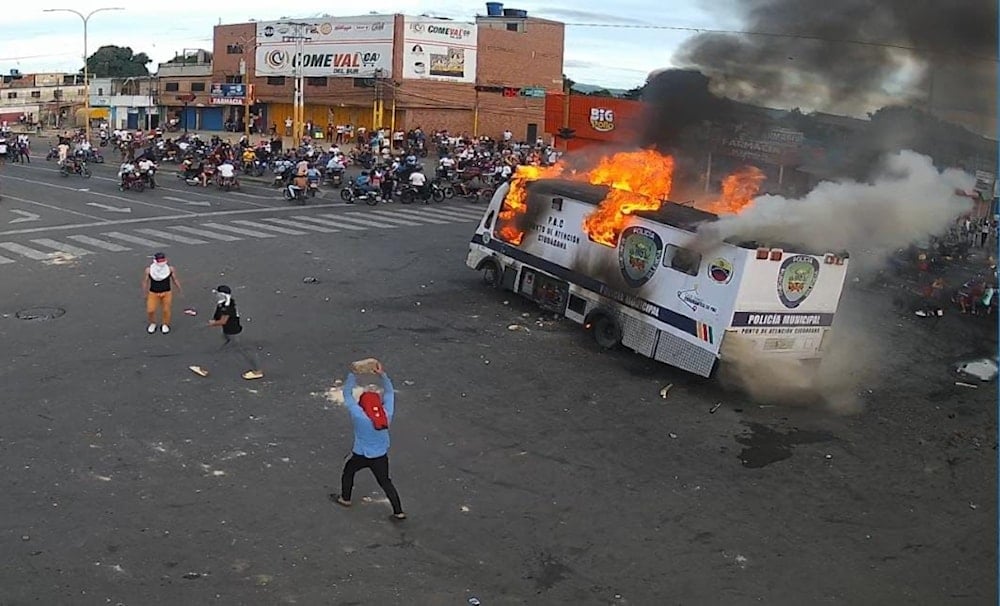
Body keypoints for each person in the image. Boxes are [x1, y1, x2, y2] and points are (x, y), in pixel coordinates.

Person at [332, 360, 405, 520]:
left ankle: (345, 498)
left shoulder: (360, 416)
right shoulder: (386, 415)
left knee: (348, 472)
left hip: (361, 454)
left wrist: (353, 374)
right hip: (380, 456)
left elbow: (347, 394)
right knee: (385, 482)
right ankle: (398, 511)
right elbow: (390, 394)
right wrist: (382, 376)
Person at [202, 285, 264, 380]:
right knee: (237, 350)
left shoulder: (227, 307)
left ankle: (257, 371)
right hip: (230, 332)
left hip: (233, 333)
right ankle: (206, 369)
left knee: (243, 352)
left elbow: (223, 321)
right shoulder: (226, 303)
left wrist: (212, 323)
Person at [143, 252, 181, 334]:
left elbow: (175, 279)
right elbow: (145, 282)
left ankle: (165, 324)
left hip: (166, 292)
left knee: (166, 310)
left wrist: (179, 288)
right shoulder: (149, 270)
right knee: (150, 310)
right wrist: (145, 292)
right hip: (153, 293)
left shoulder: (170, 269)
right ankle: (152, 323)